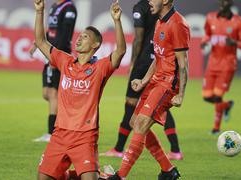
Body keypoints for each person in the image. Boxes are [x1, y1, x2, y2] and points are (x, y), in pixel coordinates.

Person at [34, 0, 126, 179]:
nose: (79, 38)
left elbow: (121, 50)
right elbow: (40, 41)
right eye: (80, 36)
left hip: (85, 136)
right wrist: (40, 11)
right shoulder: (65, 61)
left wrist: (117, 21)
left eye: (85, 37)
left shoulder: (100, 68)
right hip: (60, 134)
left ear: (95, 45)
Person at [108, 0, 190, 179]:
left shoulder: (178, 24)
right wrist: (144, 81)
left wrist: (181, 95)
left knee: (141, 124)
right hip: (155, 79)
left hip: (168, 83)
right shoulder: (159, 21)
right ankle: (168, 170)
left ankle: (120, 175)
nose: (149, 2)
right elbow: (159, 56)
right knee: (134, 121)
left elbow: (183, 64)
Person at [30, 0, 77, 142]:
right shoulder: (55, 6)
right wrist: (37, 44)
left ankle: (52, 133)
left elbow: (64, 35)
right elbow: (51, 30)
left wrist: (55, 57)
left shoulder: (69, 8)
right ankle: (62, 126)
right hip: (49, 53)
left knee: (53, 93)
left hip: (58, 54)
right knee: (47, 93)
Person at [201, 0, 241, 134]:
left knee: (217, 96)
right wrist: (204, 42)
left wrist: (235, 42)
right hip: (212, 63)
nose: (223, 4)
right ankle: (227, 105)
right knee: (206, 96)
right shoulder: (210, 18)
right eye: (222, 2)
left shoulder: (239, 22)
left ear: (230, 4)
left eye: (226, 2)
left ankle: (216, 128)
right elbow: (207, 34)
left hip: (227, 64)